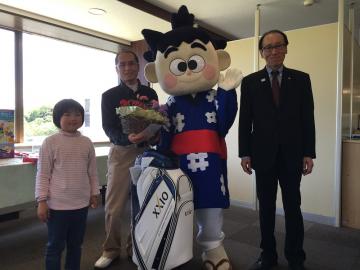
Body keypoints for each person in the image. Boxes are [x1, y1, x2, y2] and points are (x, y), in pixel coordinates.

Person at [141, 6, 242, 270]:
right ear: (156, 72)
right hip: (178, 163)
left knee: (209, 207)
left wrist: (228, 94)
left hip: (210, 161)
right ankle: (177, 249)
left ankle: (212, 248)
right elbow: (164, 138)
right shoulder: (169, 104)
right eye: (178, 65)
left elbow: (223, 125)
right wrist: (155, 128)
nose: (187, 71)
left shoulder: (214, 97)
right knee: (179, 205)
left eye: (193, 63)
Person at [238, 29, 316, 270]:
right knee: (267, 209)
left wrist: (308, 153)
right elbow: (245, 120)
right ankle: (268, 255)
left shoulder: (301, 79)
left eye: (278, 45)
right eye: (268, 47)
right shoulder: (250, 82)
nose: (273, 51)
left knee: (293, 207)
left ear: (285, 48)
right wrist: (245, 153)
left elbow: (307, 119)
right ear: (262, 53)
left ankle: (296, 257)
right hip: (262, 156)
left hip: (292, 155)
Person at [94, 50, 158, 269]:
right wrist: (125, 137)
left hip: (146, 152)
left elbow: (155, 120)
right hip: (121, 153)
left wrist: (154, 133)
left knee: (141, 203)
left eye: (131, 63)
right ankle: (110, 249)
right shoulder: (109, 95)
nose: (128, 68)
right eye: (122, 65)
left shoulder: (149, 94)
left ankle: (134, 247)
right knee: (114, 205)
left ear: (138, 66)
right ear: (117, 69)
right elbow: (108, 127)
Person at [35, 99, 100, 270]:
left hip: (81, 204)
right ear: (58, 118)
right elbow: (43, 174)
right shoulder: (50, 142)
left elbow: (92, 172)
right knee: (55, 246)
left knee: (76, 245)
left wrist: (94, 193)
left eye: (77, 114)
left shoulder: (86, 142)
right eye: (67, 114)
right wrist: (42, 201)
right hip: (57, 206)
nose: (73, 118)